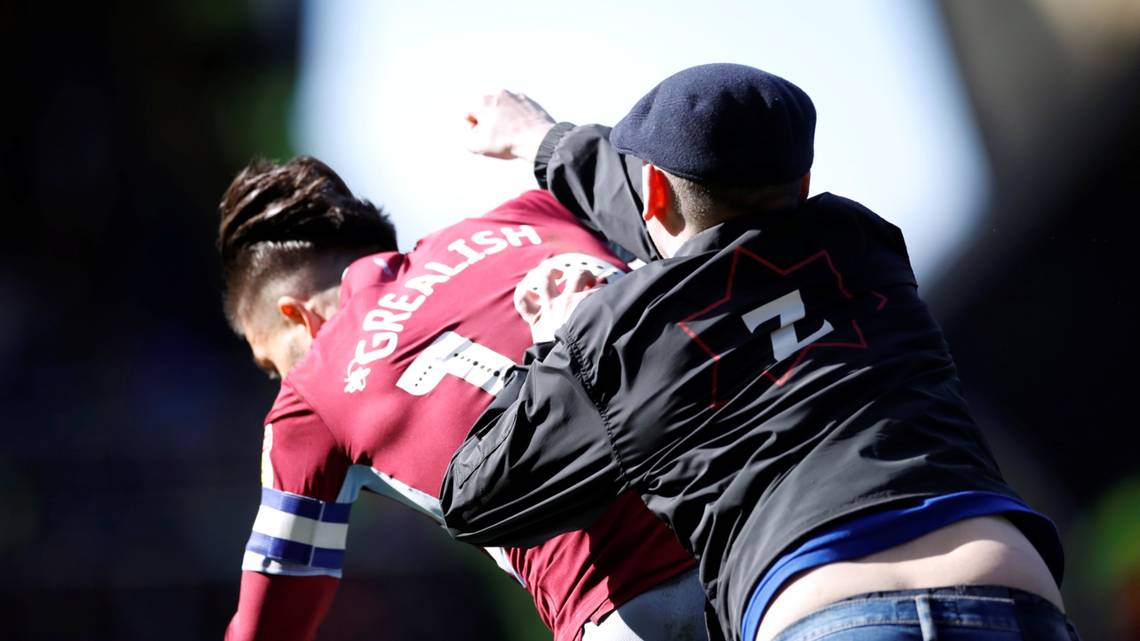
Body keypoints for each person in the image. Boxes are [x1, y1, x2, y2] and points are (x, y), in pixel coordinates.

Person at [440, 64, 1080, 641]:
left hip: (821, 610)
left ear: (653, 189)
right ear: (804, 181)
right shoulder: (865, 247)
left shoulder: (618, 336)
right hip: (1011, 585)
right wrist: (545, 143)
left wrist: (555, 338)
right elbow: (699, 219)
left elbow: (475, 500)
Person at [216, 156, 707, 641]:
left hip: (629, 606)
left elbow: (266, 629)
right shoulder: (532, 214)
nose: (282, 381)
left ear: (298, 316)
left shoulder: (309, 393)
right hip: (741, 522)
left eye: (272, 366)